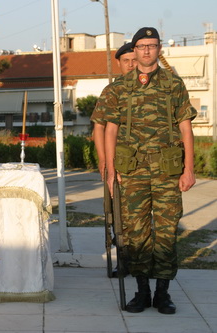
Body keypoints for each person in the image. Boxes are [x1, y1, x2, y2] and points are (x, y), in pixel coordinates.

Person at [99, 27, 196, 315]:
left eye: (152, 45)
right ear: (135, 48)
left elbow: (186, 129)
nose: (146, 50)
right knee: (136, 233)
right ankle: (141, 292)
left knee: (166, 232)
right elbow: (110, 130)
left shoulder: (174, 85)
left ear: (159, 49)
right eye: (141, 46)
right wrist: (109, 170)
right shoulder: (119, 87)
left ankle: (162, 293)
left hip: (168, 170)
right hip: (132, 171)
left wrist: (188, 169)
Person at [92, 42, 137, 180]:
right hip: (120, 158)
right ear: (118, 62)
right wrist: (103, 158)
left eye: (134, 60)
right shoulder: (111, 91)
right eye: (126, 61)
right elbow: (99, 127)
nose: (130, 65)